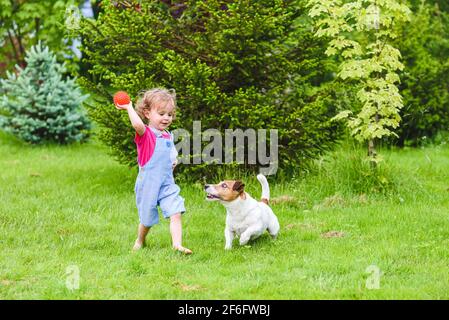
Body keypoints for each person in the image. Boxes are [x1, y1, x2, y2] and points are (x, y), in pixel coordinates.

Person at [114, 88, 192, 254]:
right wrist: (128, 107)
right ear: (147, 113)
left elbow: (170, 154)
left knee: (176, 211)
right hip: (148, 185)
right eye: (162, 113)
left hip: (166, 183)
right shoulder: (146, 134)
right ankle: (140, 240)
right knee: (147, 220)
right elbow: (137, 124)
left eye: (170, 114)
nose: (166, 118)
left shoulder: (167, 135)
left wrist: (174, 161)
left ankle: (177, 244)